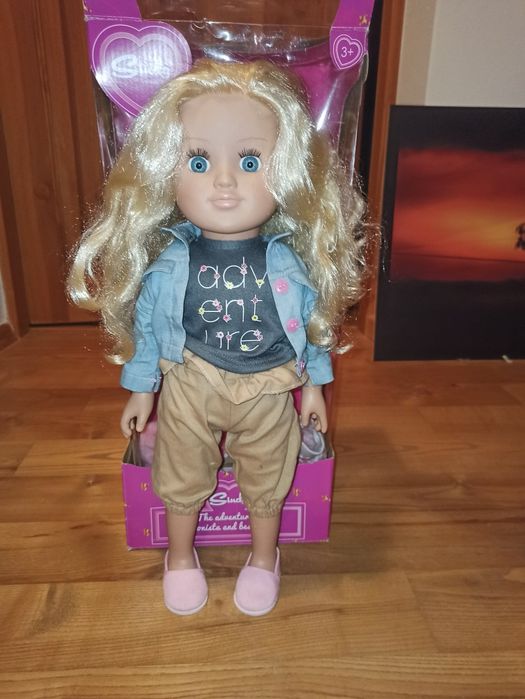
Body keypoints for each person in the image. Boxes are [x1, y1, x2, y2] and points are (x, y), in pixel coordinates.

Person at [68, 59, 366, 617]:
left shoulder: (287, 261)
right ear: (165, 169)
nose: (225, 182)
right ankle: (180, 556)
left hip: (270, 384)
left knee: (269, 474)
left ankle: (264, 556)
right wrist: (141, 389)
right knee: (181, 470)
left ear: (289, 168)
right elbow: (147, 329)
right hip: (192, 379)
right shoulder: (169, 263)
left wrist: (315, 387)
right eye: (199, 161)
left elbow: (314, 324)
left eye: (250, 161)